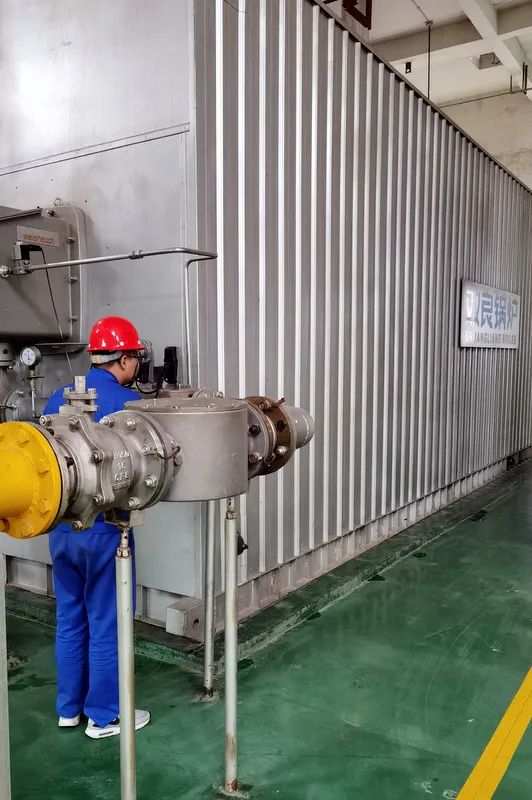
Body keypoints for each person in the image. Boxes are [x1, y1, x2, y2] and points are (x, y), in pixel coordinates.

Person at [44, 316, 150, 739]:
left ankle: (69, 709)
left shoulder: (57, 397)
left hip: (62, 528)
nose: (136, 365)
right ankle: (104, 717)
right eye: (135, 358)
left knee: (70, 617)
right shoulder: (129, 407)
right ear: (123, 359)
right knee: (107, 621)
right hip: (105, 530)